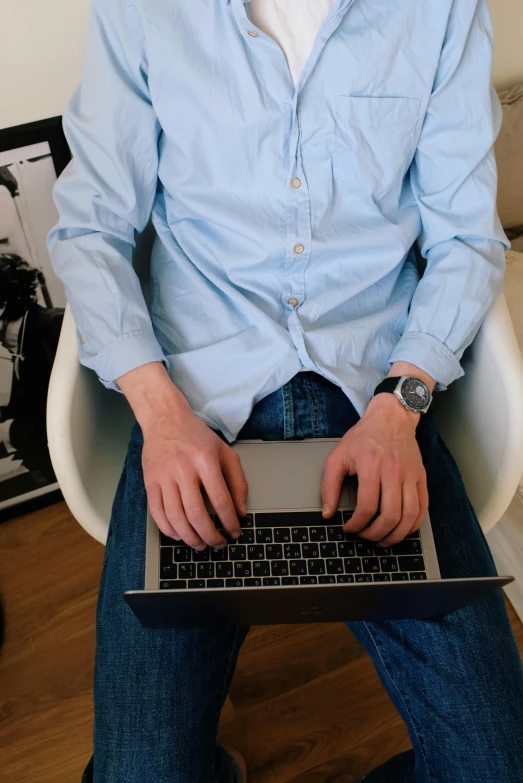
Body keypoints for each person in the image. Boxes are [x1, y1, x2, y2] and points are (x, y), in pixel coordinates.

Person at [48, 0, 523, 781]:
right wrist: (161, 417)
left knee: (497, 763)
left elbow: (466, 238)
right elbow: (92, 227)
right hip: (196, 400)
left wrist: (398, 408)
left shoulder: (439, 9)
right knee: (143, 771)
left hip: (374, 392)